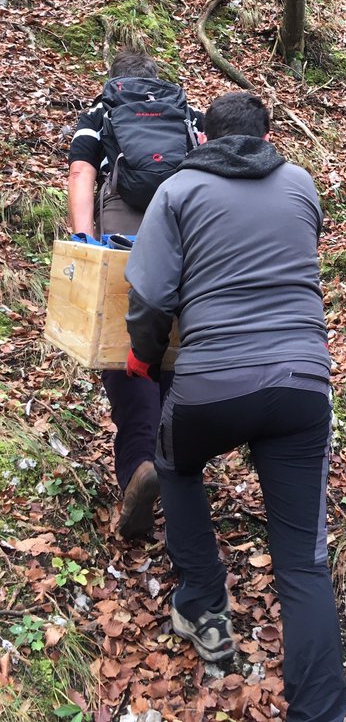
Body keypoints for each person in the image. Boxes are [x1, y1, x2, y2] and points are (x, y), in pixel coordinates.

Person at [123, 92, 346, 722]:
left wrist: (142, 356)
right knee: (304, 558)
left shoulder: (177, 190)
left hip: (211, 383)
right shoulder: (301, 183)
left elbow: (148, 297)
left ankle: (202, 604)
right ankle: (321, 711)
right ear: (268, 135)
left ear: (203, 139)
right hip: (302, 386)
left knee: (175, 464)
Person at [67, 48, 203, 539]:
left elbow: (83, 173)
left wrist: (84, 240)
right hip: (188, 234)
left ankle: (139, 469)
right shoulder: (187, 112)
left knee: (125, 347)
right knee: (176, 348)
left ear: (113, 81)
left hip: (125, 240)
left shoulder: (100, 113)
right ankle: (178, 471)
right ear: (156, 81)